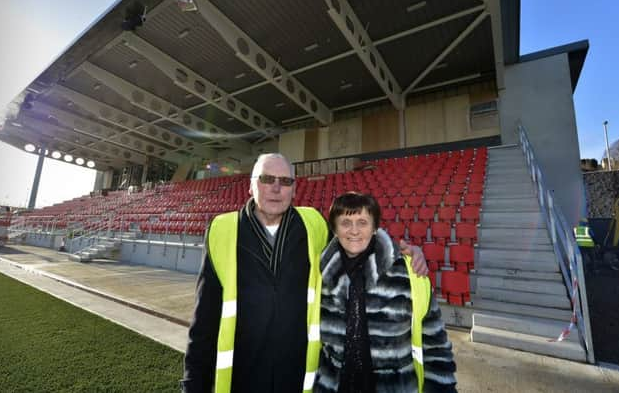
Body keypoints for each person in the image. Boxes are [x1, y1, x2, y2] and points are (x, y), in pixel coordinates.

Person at [182, 154, 428, 393]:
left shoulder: (313, 223)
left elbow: (356, 248)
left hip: (299, 377)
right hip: (243, 378)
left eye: (286, 181)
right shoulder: (222, 230)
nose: (276, 188)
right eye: (267, 179)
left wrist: (401, 253)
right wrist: (193, 386)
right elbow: (203, 324)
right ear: (251, 185)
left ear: (294, 189)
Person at [315, 192, 457, 392]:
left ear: (374, 228)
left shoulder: (407, 272)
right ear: (335, 229)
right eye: (345, 222)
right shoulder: (320, 276)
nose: (354, 230)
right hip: (334, 386)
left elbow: (435, 344)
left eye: (362, 222)